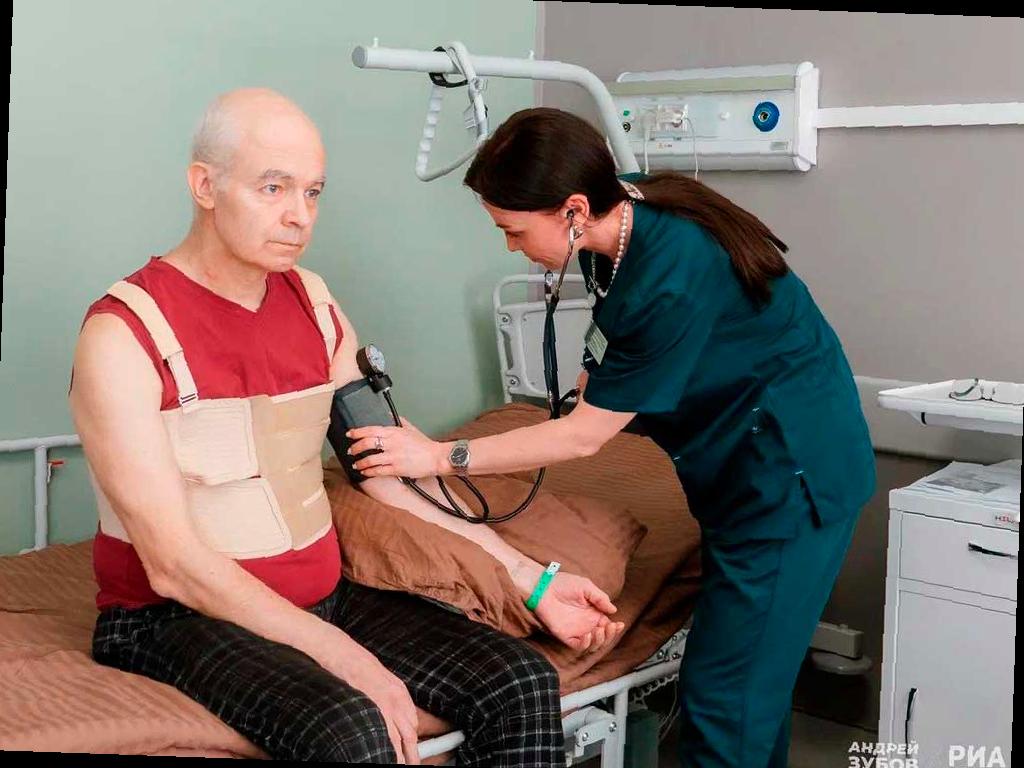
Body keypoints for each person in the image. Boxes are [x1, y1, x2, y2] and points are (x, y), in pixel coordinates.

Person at [69, 92, 622, 766]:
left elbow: (388, 470)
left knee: (521, 682)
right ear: (205, 186)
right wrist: (344, 656)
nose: (299, 216)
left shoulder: (317, 306)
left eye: (313, 192)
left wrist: (531, 580)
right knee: (354, 730)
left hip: (320, 597)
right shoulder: (123, 333)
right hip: (172, 618)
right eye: (273, 188)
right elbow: (173, 565)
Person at [346, 107, 877, 768]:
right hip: (740, 467)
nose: (510, 247)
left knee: (724, 704)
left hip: (788, 480)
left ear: (573, 209)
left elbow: (581, 439)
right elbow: (613, 356)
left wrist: (438, 455)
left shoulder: (670, 273)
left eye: (513, 231)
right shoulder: (621, 210)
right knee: (747, 699)